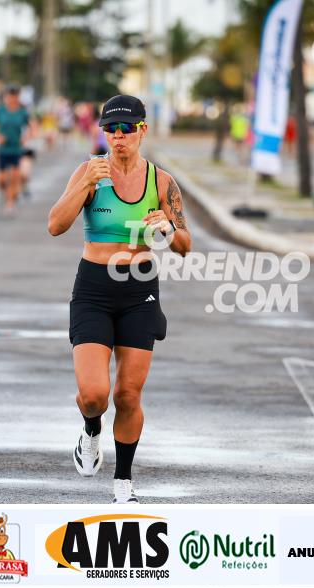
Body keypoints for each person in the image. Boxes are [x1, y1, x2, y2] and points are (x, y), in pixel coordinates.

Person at [47, 95, 192, 504]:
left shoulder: (161, 182)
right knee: (94, 394)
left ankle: (123, 483)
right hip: (93, 288)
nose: (117, 136)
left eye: (126, 128)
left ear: (142, 130)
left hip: (139, 289)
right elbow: (55, 225)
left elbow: (185, 246)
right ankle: (91, 430)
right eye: (110, 129)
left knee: (128, 394)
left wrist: (167, 227)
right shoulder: (89, 171)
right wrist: (84, 185)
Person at [0, 85, 32, 215]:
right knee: (1, 180)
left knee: (14, 178)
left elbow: (31, 127)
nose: (12, 99)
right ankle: (3, 191)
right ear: (6, 97)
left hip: (16, 149)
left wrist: (25, 138)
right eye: (10, 96)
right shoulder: (0, 111)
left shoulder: (22, 112)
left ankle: (10, 203)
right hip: (3, 149)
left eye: (15, 96)